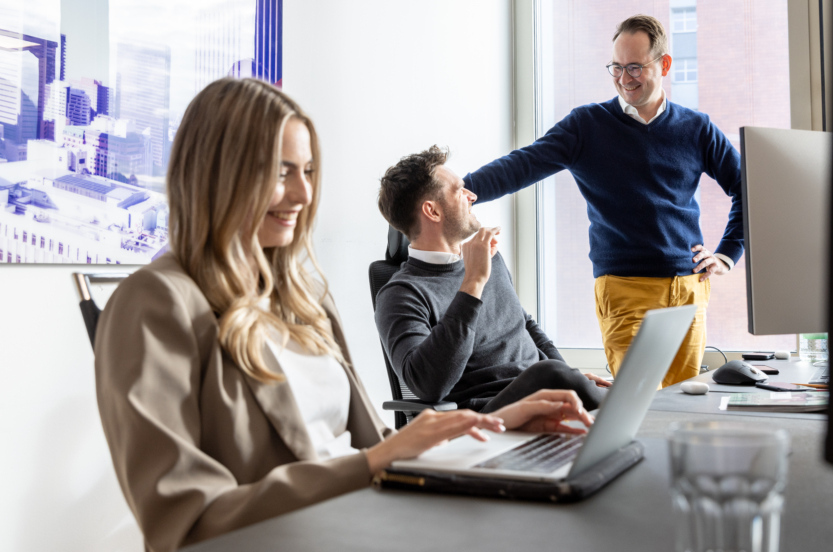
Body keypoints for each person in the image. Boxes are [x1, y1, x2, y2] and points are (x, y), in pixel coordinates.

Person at [94, 78, 593, 552]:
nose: (303, 194)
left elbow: (375, 447)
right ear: (219, 175)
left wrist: (499, 424)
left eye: (308, 172)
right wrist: (371, 464)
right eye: (281, 172)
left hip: (370, 520)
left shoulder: (304, 299)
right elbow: (184, 525)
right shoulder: (155, 304)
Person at [462, 14, 744, 388]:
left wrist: (727, 254)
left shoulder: (696, 128)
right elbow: (523, 164)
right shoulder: (587, 125)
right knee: (636, 399)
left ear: (664, 65)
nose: (624, 78)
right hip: (624, 288)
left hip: (689, 287)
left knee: (684, 402)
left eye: (635, 67)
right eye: (616, 67)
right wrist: (461, 192)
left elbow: (747, 189)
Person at [375, 146, 610, 412]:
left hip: (545, 393)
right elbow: (428, 385)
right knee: (559, 379)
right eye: (459, 191)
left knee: (609, 388)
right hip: (487, 413)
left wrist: (571, 376)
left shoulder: (489, 259)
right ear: (433, 211)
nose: (472, 196)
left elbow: (525, 325)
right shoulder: (401, 294)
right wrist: (472, 283)